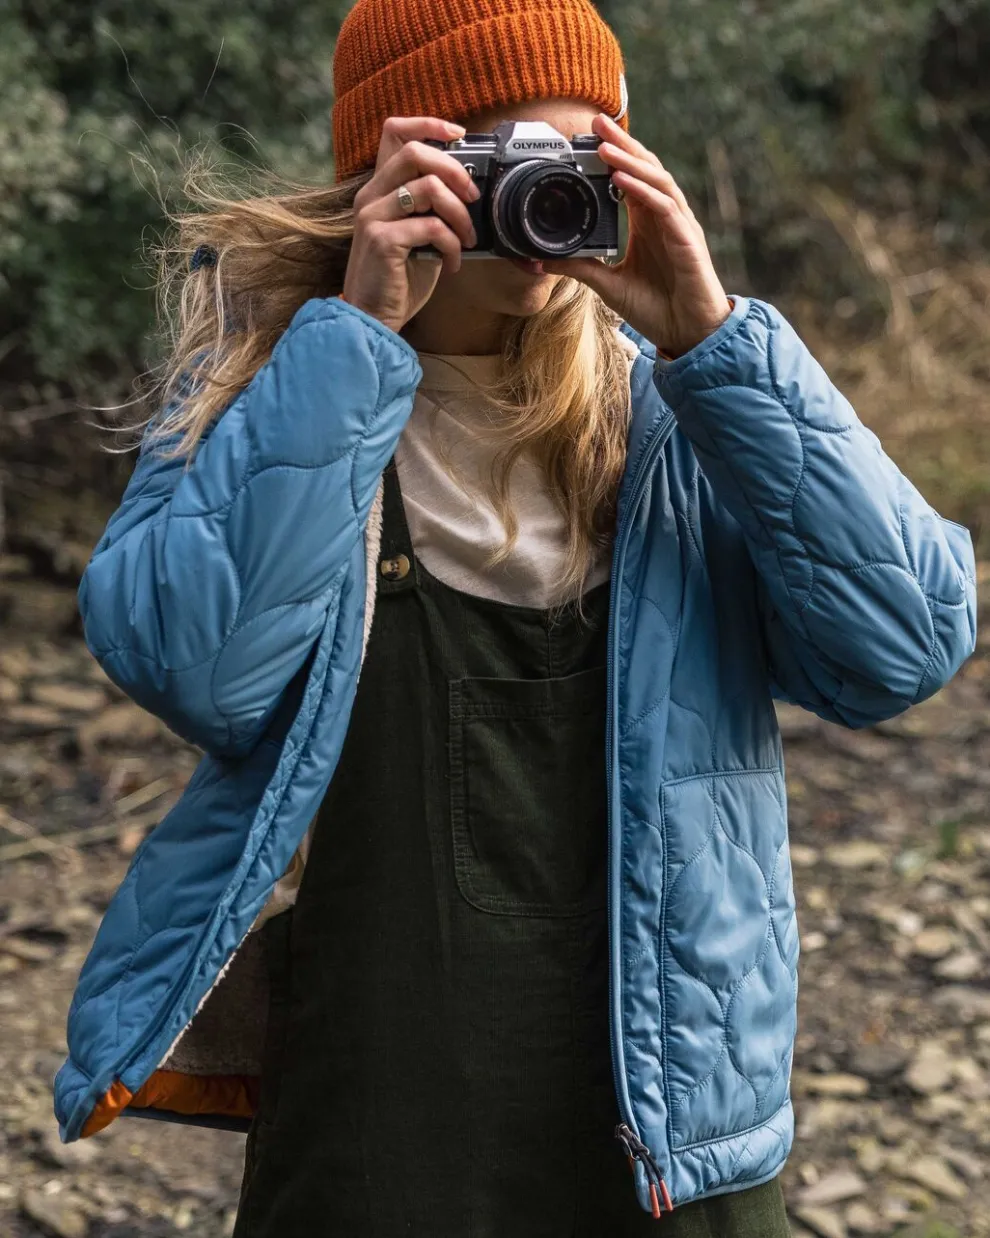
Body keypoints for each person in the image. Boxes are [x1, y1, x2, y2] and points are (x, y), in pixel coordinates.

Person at [54, 1, 977, 1234]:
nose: (543, 214)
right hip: (384, 1109)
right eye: (506, 166)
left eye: (578, 166)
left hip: (671, 1114)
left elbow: (907, 646)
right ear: (393, 168)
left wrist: (713, 338)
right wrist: (356, 340)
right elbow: (196, 672)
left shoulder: (686, 414)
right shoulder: (274, 393)